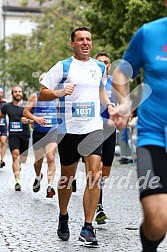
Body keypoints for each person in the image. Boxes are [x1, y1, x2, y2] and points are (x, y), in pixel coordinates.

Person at [39, 26, 114, 247]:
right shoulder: (63, 66)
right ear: (72, 43)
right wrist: (59, 92)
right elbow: (43, 91)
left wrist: (108, 103)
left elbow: (101, 89)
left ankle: (87, 227)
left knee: (94, 174)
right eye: (80, 39)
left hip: (93, 128)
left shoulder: (100, 66)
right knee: (67, 178)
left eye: (88, 39)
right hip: (68, 130)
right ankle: (63, 216)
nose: (85, 42)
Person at [112, 1, 167, 251]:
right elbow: (122, 73)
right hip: (153, 137)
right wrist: (125, 104)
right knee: (157, 220)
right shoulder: (149, 33)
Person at [23, 73, 58, 198]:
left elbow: (62, 113)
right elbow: (25, 111)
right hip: (38, 133)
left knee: (50, 157)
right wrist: (35, 118)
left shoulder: (56, 97)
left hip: (52, 132)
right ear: (41, 84)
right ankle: (38, 176)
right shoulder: (35, 97)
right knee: (38, 161)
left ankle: (50, 186)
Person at [94, 52, 117, 224]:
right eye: (100, 61)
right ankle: (98, 205)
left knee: (105, 172)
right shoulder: (91, 82)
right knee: (97, 167)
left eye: (106, 62)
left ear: (109, 65)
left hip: (110, 130)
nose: (103, 64)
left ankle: (95, 192)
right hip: (94, 129)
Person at [0, 86, 30, 191]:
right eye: (15, 92)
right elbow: (1, 115)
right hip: (13, 135)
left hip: (25, 135)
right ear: (12, 94)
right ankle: (17, 181)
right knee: (15, 156)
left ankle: (19, 165)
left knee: (23, 159)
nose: (17, 93)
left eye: (19, 92)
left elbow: (36, 119)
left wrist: (28, 121)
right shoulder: (7, 106)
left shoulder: (27, 105)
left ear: (22, 93)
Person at [0, 88, 7, 168]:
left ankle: (2, 160)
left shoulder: (5, 102)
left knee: (3, 141)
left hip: (3, 125)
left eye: (1, 93)